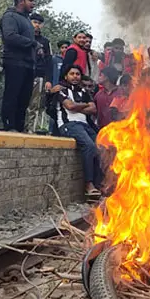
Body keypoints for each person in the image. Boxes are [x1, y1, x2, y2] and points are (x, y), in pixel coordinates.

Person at [56, 65, 103, 199]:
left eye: (77, 74)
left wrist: (77, 106)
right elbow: (69, 106)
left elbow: (93, 109)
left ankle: (99, 185)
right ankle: (89, 185)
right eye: (72, 74)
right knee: (89, 146)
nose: (75, 76)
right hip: (69, 125)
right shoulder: (61, 90)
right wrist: (84, 105)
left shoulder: (84, 91)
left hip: (85, 125)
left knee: (101, 148)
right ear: (66, 76)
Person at [0, 0, 38, 132]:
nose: (33, 4)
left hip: (28, 64)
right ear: (21, 1)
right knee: (12, 95)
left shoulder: (26, 19)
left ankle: (19, 127)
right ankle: (9, 126)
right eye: (30, 0)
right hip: (14, 62)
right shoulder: (10, 17)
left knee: (24, 98)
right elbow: (10, 36)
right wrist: (32, 43)